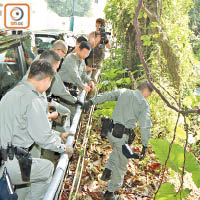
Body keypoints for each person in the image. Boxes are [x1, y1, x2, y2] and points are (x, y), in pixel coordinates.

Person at [0, 59, 73, 200]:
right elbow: (43, 138)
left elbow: (27, 127)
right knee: (47, 169)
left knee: (28, 179)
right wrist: (64, 148)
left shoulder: (12, 93)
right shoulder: (33, 100)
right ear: (47, 80)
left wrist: (58, 134)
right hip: (8, 163)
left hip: (4, 156)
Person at [83, 81, 153, 200]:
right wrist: (145, 145)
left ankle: (107, 171)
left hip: (110, 132)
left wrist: (91, 101)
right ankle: (110, 192)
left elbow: (107, 95)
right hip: (122, 137)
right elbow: (144, 125)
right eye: (150, 93)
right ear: (145, 90)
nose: (149, 96)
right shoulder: (143, 103)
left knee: (118, 150)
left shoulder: (124, 91)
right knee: (121, 165)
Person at [58, 41, 95, 120]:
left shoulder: (82, 61)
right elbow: (74, 74)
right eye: (84, 52)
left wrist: (90, 81)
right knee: (68, 113)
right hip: (63, 89)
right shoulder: (70, 58)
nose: (86, 55)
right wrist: (82, 86)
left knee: (73, 113)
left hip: (73, 90)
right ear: (79, 49)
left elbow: (83, 74)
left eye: (88, 53)